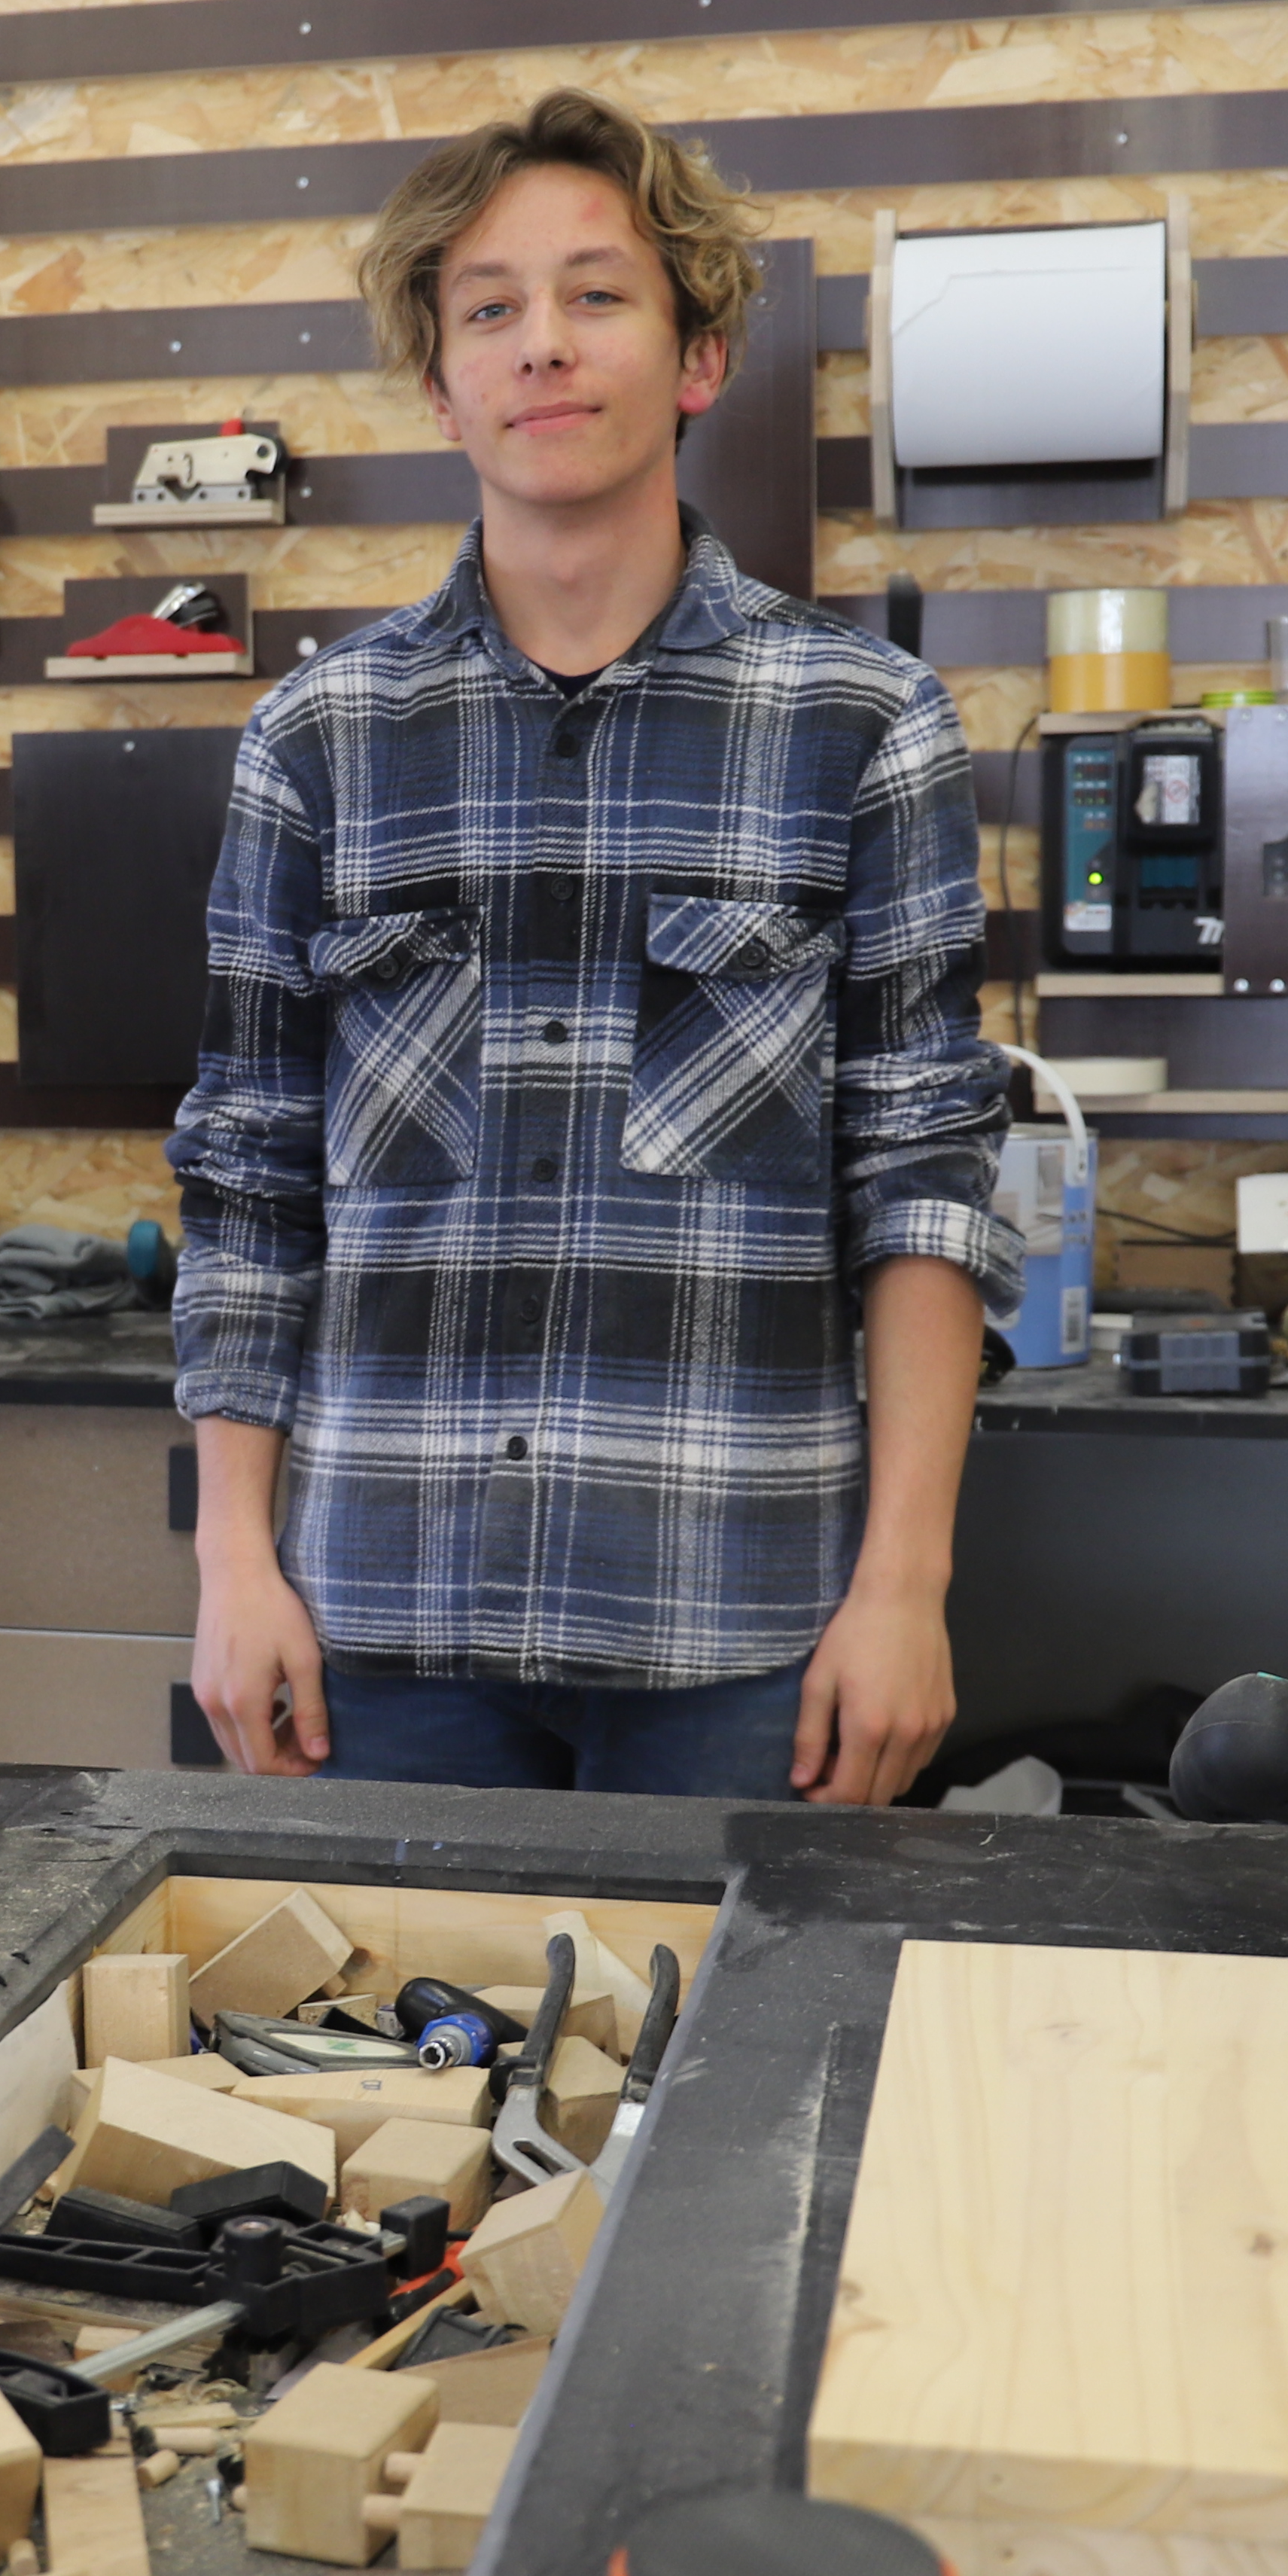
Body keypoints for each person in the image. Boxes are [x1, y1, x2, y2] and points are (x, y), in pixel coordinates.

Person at [166, 90, 1015, 1806]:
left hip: (739, 1626)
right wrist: (231, 1562)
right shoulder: (320, 738)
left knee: (740, 2073)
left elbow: (924, 1173)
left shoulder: (862, 723)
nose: (541, 345)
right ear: (440, 384)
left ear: (699, 358)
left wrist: (905, 1585)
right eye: (490, 309)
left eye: (596, 295)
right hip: (376, 1625)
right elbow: (250, 1171)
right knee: (376, 2070)